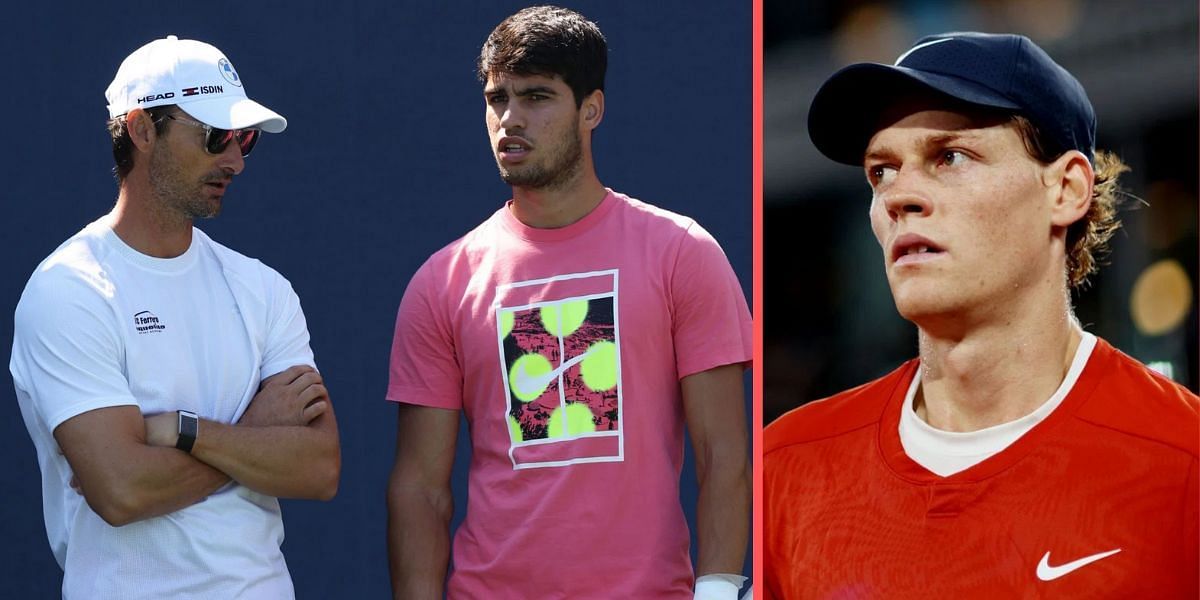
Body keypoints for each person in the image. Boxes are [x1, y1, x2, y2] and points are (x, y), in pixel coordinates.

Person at [764, 31, 1199, 598]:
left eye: (949, 157)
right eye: (882, 171)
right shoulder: (787, 466)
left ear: (1066, 189)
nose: (899, 195)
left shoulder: (1182, 458)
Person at [385, 6, 752, 600]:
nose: (510, 119)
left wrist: (715, 593)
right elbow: (420, 488)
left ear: (592, 109)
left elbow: (724, 454)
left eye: (536, 97)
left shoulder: (682, 253)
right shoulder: (442, 281)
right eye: (496, 98)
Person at [10, 36, 340, 599]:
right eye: (215, 136)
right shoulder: (68, 290)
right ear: (141, 130)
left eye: (245, 139)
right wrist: (254, 435)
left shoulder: (262, 288)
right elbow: (121, 491)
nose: (234, 159)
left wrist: (184, 432)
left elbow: (318, 468)